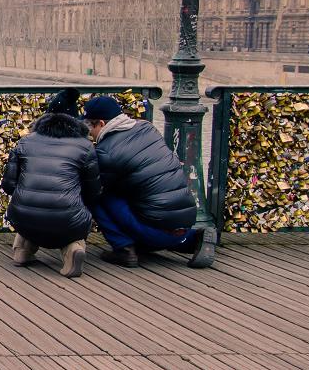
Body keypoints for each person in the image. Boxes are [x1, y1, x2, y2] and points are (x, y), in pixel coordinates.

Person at [83, 95, 215, 268]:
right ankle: (195, 237)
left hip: (154, 228)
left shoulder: (106, 152)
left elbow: (95, 189)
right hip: (184, 221)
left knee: (97, 197)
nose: (90, 134)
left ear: (101, 123)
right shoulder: (146, 127)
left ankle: (123, 248)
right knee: (166, 228)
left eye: (89, 127)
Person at [1, 89, 100, 277]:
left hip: (22, 218)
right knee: (71, 220)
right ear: (75, 120)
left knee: (29, 210)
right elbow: (93, 191)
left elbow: (8, 185)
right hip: (67, 222)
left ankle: (23, 249)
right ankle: (72, 248)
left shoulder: (25, 142)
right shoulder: (85, 147)